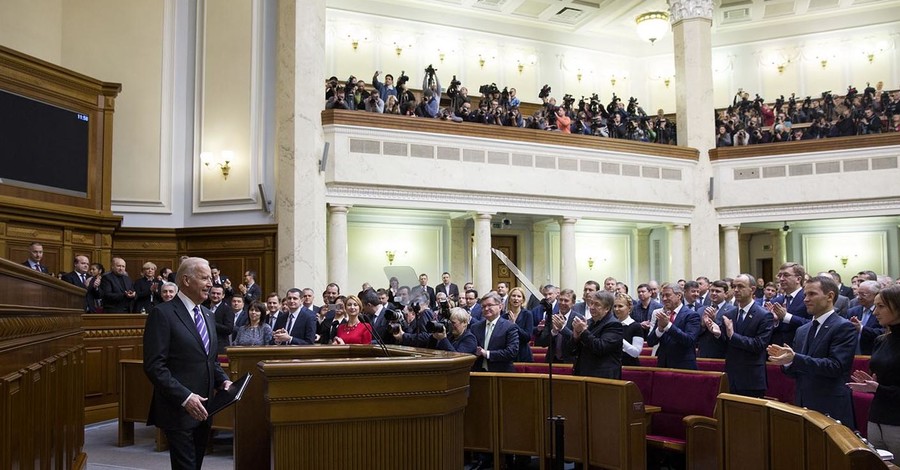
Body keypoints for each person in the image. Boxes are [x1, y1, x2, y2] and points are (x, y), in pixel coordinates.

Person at [143, 257, 231, 470]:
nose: (210, 283)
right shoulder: (162, 314)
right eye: (204, 278)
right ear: (186, 280)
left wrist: (224, 380)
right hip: (179, 410)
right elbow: (155, 366)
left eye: (210, 278)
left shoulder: (208, 315)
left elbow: (209, 359)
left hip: (205, 409)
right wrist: (185, 397)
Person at [768, 275, 857, 428]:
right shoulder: (802, 330)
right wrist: (787, 362)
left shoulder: (843, 327)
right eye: (805, 295)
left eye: (812, 294)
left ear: (830, 296)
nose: (806, 299)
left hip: (831, 404)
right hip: (803, 402)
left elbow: (836, 366)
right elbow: (794, 372)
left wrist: (795, 359)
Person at [848, 285, 900, 461]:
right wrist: (872, 384)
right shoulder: (881, 340)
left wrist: (879, 388)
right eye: (875, 306)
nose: (875, 312)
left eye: (881, 306)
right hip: (877, 416)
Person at [719, 274, 774, 397]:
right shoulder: (729, 314)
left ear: (752, 289)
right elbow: (725, 344)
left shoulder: (764, 315)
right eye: (734, 286)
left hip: (751, 378)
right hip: (732, 375)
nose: (736, 290)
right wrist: (718, 334)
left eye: (740, 286)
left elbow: (759, 345)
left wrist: (733, 336)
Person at [646, 282, 701, 370]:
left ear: (679, 296)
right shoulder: (662, 315)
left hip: (683, 366)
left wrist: (668, 326)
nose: (664, 299)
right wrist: (659, 329)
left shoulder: (692, 315)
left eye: (667, 295)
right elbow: (650, 342)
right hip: (663, 365)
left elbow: (689, 340)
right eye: (662, 296)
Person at [570, 290, 624, 379]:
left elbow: (600, 347)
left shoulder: (614, 324)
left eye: (597, 304)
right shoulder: (589, 322)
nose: (592, 307)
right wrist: (575, 336)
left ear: (607, 308)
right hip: (583, 373)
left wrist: (583, 331)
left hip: (603, 376)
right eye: (591, 303)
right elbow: (572, 351)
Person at [471, 292, 519, 372]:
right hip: (479, 373)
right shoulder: (475, 327)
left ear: (500, 306)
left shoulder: (509, 326)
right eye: (483, 306)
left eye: (490, 305)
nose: (486, 309)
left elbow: (512, 352)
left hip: (501, 373)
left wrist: (488, 354)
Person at [534, 289, 581, 364]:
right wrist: (554, 332)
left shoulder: (578, 319)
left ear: (573, 303)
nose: (562, 303)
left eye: (566, 301)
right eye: (560, 300)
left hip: (571, 362)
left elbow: (577, 343)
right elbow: (542, 342)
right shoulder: (551, 317)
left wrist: (562, 328)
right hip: (552, 361)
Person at [503, 286, 534, 362]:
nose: (516, 298)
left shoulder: (528, 314)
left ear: (522, 300)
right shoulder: (504, 316)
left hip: (523, 353)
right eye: (513, 296)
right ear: (509, 299)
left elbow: (527, 337)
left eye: (519, 296)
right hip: (508, 353)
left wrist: (514, 324)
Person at [614, 292, 644, 367]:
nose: (616, 309)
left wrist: (619, 338)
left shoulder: (636, 327)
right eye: (615, 306)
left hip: (630, 367)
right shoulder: (612, 325)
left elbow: (636, 353)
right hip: (614, 365)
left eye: (620, 306)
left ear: (629, 308)